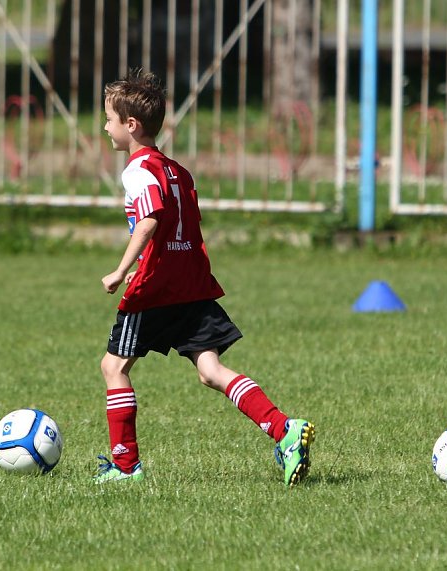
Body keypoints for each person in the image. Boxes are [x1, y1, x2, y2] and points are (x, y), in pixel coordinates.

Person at [95, 70, 314, 486]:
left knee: (114, 366)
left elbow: (150, 219)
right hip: (191, 282)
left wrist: (122, 270)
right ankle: (283, 428)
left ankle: (125, 466)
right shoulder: (177, 170)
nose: (105, 127)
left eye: (109, 119)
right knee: (210, 370)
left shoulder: (137, 171)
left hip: (157, 287)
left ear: (131, 124)